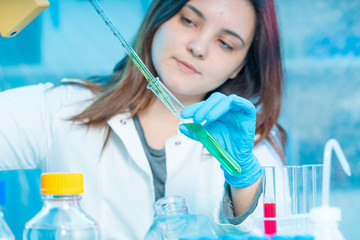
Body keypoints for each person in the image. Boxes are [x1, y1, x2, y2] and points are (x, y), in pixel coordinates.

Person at [0, 0, 286, 239]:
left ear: (240, 65)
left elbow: (275, 231)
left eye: (225, 43)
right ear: (158, 18)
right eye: (188, 21)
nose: (198, 47)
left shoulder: (252, 152)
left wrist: (243, 183)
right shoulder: (63, 110)